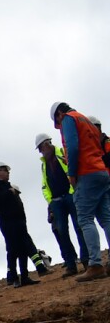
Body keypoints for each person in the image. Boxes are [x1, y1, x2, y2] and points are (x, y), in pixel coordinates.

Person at [53, 101, 110, 281]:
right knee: (106, 218)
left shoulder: (69, 119)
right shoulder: (85, 119)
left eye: (57, 122)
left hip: (86, 173)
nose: (59, 126)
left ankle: (95, 264)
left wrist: (72, 173)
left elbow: (73, 146)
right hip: (101, 171)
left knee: (85, 218)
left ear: (59, 113)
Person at [36, 132, 88, 276]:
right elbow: (45, 186)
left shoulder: (61, 153)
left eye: (41, 148)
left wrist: (75, 190)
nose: (41, 151)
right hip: (57, 201)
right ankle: (71, 264)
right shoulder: (44, 165)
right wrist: (50, 201)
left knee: (80, 227)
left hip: (71, 195)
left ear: (46, 144)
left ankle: (86, 261)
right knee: (62, 231)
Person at [0, 164, 41, 288]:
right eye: (5, 171)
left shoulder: (10, 187)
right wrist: (9, 193)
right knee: (12, 250)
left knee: (23, 249)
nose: (8, 173)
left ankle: (25, 276)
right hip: (7, 223)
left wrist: (23, 220)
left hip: (19, 222)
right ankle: (14, 278)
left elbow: (19, 206)